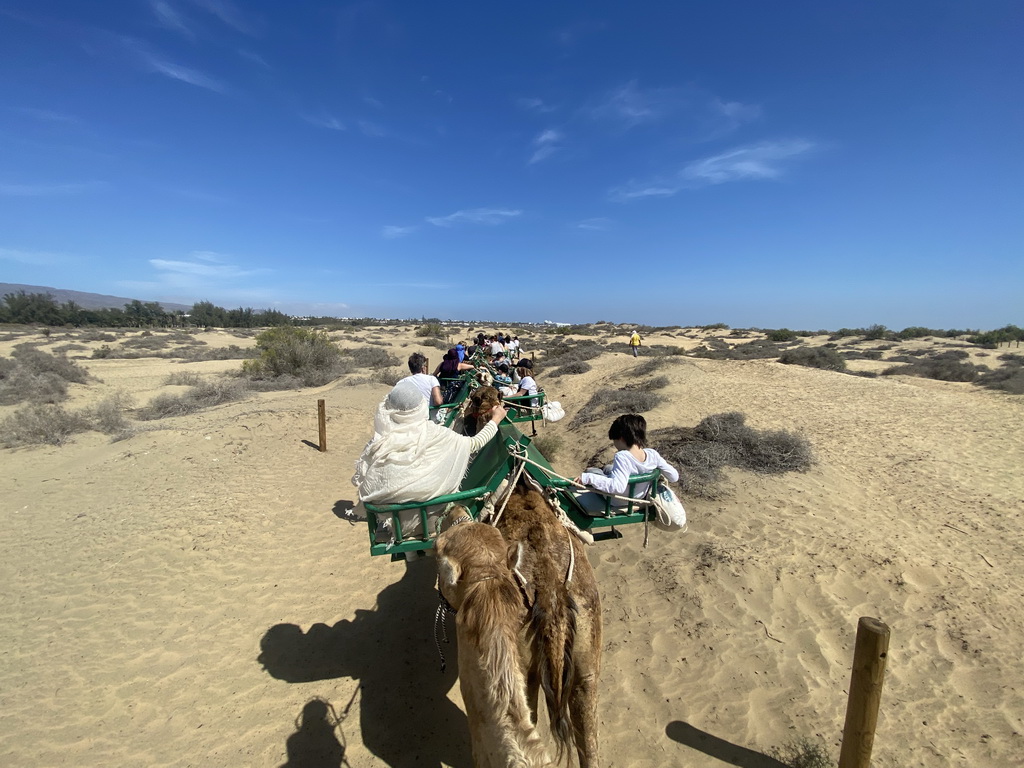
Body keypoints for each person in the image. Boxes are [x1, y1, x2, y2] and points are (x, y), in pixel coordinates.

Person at [353, 378, 507, 506]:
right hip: (428, 513)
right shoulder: (434, 433)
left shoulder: (378, 442)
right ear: (420, 407)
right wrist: (495, 420)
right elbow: (474, 443)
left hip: (389, 516)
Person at [573, 414, 679, 515]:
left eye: (614, 440)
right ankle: (603, 470)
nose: (615, 444)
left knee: (592, 471)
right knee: (608, 468)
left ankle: (593, 473)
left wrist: (588, 478)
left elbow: (617, 487)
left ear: (621, 438)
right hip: (638, 496)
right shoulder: (652, 455)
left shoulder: (622, 456)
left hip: (619, 501)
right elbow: (674, 477)